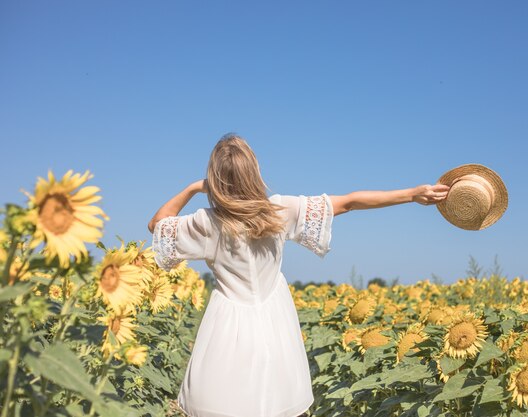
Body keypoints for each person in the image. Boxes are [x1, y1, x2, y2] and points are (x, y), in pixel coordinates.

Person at [147, 133, 449, 417]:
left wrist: (192, 188)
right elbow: (351, 201)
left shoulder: (206, 223)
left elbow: (157, 224)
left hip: (227, 324)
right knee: (279, 398)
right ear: (254, 172)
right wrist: (412, 194)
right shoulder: (278, 209)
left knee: (225, 400)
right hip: (275, 322)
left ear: (214, 179)